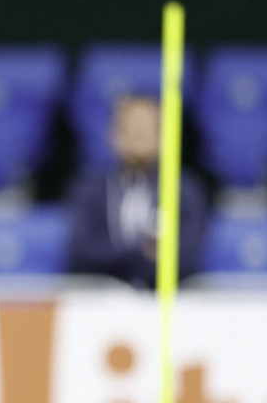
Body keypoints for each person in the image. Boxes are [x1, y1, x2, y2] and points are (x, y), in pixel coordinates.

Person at [67, 95, 207, 288]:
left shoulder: (184, 190)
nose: (139, 135)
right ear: (113, 135)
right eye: (131, 127)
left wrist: (123, 260)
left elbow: (188, 258)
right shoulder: (90, 191)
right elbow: (82, 253)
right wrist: (142, 252)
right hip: (102, 303)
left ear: (164, 135)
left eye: (148, 128)